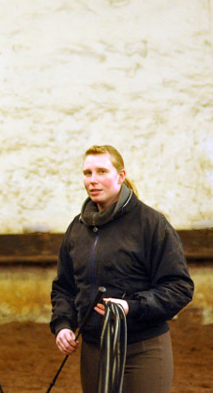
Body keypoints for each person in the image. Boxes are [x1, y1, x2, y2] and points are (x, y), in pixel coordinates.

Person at [50, 145, 193, 393]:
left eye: (102, 171)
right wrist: (63, 324)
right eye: (87, 173)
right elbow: (64, 287)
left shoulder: (152, 224)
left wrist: (131, 307)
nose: (92, 180)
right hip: (94, 350)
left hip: (143, 348)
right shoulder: (77, 229)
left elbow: (179, 287)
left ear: (121, 176)